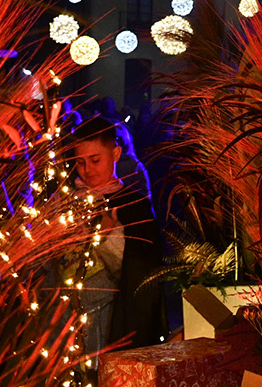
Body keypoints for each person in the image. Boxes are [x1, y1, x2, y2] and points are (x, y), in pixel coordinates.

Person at [70, 115, 167, 351]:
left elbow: (142, 273)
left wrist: (107, 239)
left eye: (95, 160)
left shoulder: (134, 206)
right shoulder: (66, 202)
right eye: (80, 162)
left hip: (110, 322)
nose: (87, 170)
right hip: (64, 319)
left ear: (115, 153)